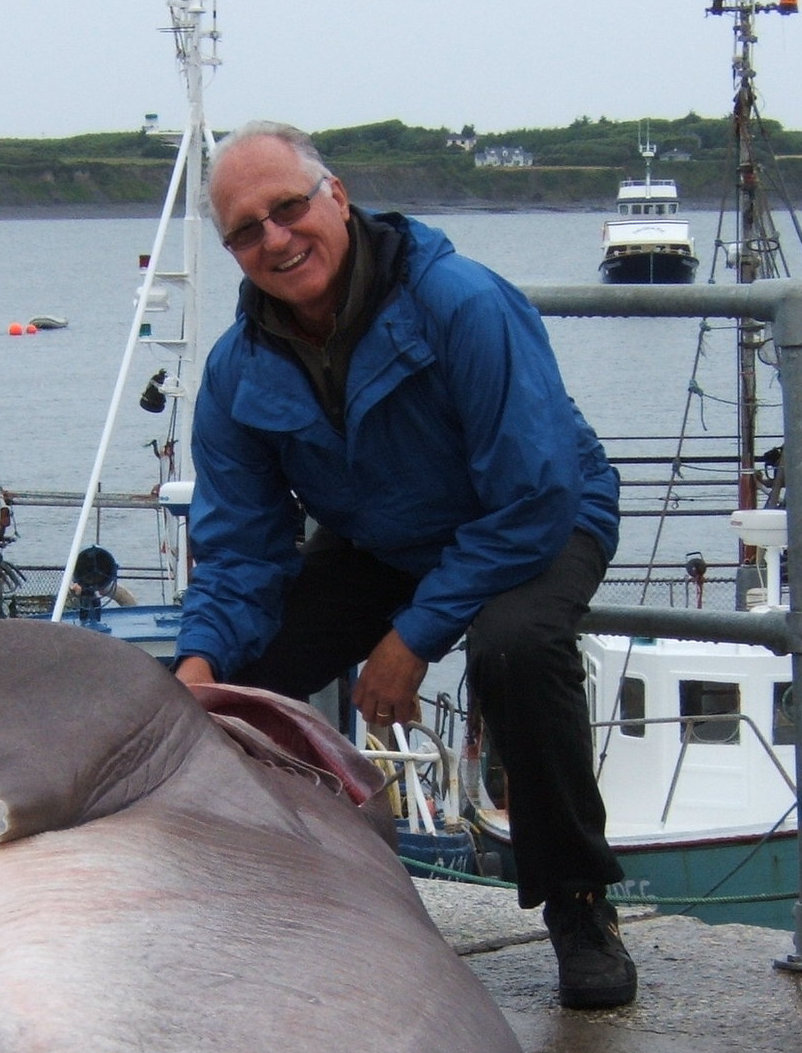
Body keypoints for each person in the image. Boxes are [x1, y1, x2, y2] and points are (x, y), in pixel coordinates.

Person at [172, 121, 636, 1008]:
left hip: (541, 514)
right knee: (242, 678)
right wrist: (198, 670)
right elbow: (239, 551)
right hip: (384, 537)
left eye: (288, 207)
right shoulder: (238, 372)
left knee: (514, 647)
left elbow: (533, 496)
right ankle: (282, 892)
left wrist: (413, 636)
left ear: (336, 196)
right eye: (244, 229)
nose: (274, 239)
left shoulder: (462, 302)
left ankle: (578, 902)